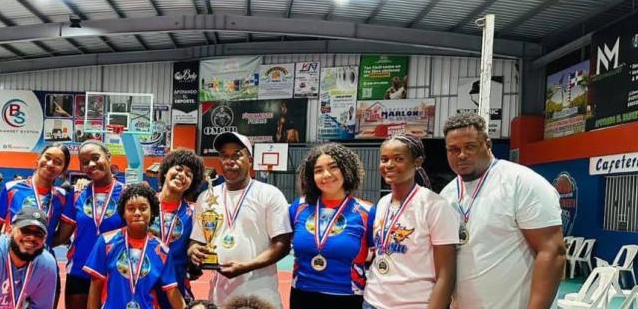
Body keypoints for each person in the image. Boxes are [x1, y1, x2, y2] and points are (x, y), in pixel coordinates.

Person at [438, 113, 564, 309]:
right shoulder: (447, 195)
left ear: (487, 144)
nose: (461, 155)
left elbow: (553, 252)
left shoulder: (522, 183)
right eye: (453, 149)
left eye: (470, 147)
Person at [187, 132, 292, 309]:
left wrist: (246, 266)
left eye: (237, 155)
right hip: (220, 296)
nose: (230, 161)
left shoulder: (269, 194)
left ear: (250, 160)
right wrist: (193, 250)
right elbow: (196, 240)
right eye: (224, 156)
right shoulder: (206, 197)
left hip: (260, 295)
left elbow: (282, 244)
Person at [363, 134, 458, 309]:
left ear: (417, 162)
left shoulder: (435, 206)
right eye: (384, 159)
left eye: (398, 159)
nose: (389, 165)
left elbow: (446, 275)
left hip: (413, 303)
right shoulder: (383, 203)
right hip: (372, 301)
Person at [0, 143, 72, 307]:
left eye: (58, 162)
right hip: (9, 263)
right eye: (48, 158)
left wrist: (39, 243)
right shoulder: (12, 189)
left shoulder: (63, 197)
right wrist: (0, 258)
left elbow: (63, 235)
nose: (50, 164)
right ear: (38, 159)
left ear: (63, 170)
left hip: (44, 265)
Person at [289, 144, 371, 309]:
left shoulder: (366, 212)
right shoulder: (298, 207)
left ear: (346, 169)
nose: (326, 175)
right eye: (318, 170)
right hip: (302, 294)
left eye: (333, 167)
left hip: (347, 297)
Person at [84, 183, 185, 309]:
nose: (137, 213)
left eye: (143, 208)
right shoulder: (106, 242)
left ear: (152, 212)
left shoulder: (162, 251)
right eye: (131, 209)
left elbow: (172, 290)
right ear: (123, 213)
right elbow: (96, 286)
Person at [57, 140, 126, 309]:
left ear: (108, 157)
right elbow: (62, 236)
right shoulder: (76, 194)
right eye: (85, 162)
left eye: (96, 158)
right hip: (80, 271)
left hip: (114, 273)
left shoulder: (127, 194)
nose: (91, 164)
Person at [152, 148, 205, 306]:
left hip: (175, 286)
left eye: (189, 175)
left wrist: (195, 253)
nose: (182, 175)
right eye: (179, 169)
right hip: (141, 283)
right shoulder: (144, 204)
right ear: (166, 171)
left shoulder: (195, 212)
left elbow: (196, 244)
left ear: (191, 184)